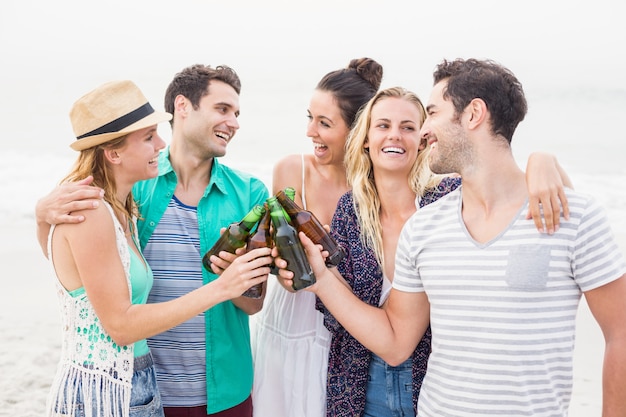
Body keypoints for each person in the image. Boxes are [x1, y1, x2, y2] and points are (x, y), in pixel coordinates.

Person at [293, 59, 626, 416]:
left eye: (431, 113)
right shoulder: (424, 228)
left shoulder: (571, 216)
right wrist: (322, 277)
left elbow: (619, 333)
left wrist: (544, 161)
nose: (422, 132)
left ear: (474, 114)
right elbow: (394, 341)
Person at [37, 65, 270, 417]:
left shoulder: (250, 194)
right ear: (183, 107)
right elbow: (79, 273)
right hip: (141, 387)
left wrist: (232, 280)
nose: (234, 122)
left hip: (222, 391)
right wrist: (42, 214)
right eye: (222, 109)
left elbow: (254, 305)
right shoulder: (130, 189)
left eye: (237, 113)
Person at [251, 57, 384, 417]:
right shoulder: (292, 169)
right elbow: (286, 264)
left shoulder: (375, 184)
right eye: (309, 118)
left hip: (344, 335)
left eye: (324, 123)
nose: (311, 131)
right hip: (289, 324)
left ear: (357, 131)